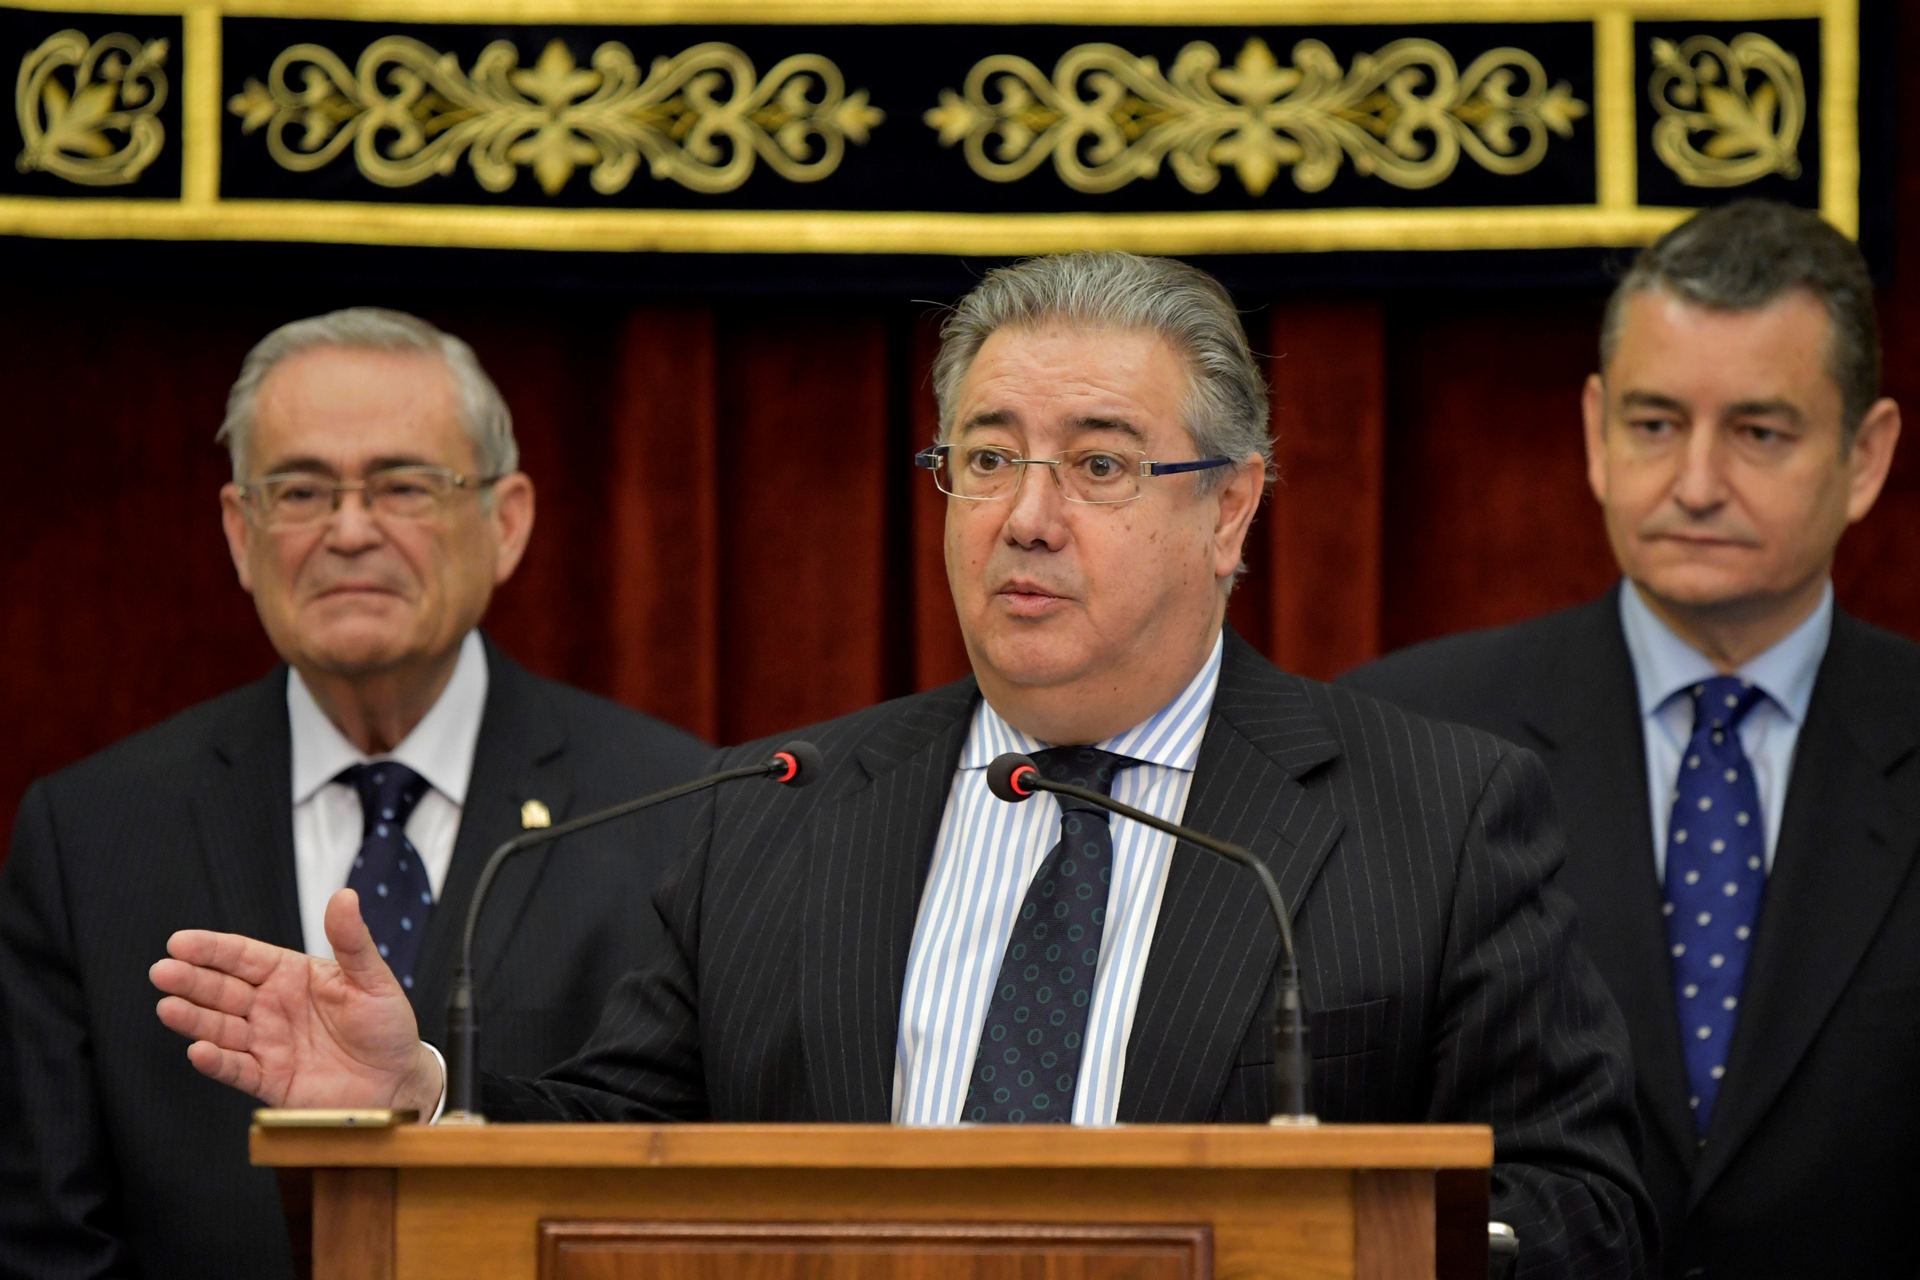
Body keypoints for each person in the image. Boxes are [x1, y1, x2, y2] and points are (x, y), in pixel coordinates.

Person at [153, 257, 1653, 1277]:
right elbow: (616, 1159)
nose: (1027, 515)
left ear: (1231, 506)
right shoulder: (778, 811)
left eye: (1101, 462)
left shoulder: (1435, 814)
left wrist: (1369, 1244)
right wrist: (416, 1097)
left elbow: (1589, 1205)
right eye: (985, 457)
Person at [0, 308, 709, 1279]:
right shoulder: (90, 835)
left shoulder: (677, 808)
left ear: (506, 522)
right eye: (299, 490)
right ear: (240, 532)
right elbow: (50, 1240)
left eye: (402, 485)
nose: (348, 531)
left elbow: (698, 1198)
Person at [1344, 200, 1913, 1277]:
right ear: (1596, 431)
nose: (1695, 484)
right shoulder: (1408, 736)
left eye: (1759, 433)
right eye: (1654, 425)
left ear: (1866, 456)